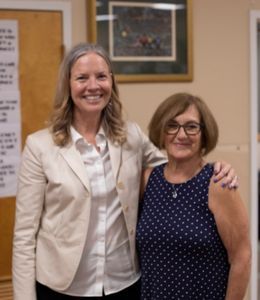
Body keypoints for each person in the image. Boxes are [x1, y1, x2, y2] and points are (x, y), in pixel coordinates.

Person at [12, 43, 238, 300]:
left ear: (112, 82)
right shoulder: (40, 146)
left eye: (101, 76)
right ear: (68, 84)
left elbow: (175, 163)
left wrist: (216, 168)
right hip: (61, 287)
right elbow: (24, 236)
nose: (93, 86)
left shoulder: (131, 136)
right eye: (82, 78)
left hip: (124, 284)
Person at [136, 92, 251, 300]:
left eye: (191, 126)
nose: (181, 135)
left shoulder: (218, 184)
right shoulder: (147, 181)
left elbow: (242, 257)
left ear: (204, 134)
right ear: (161, 131)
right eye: (172, 125)